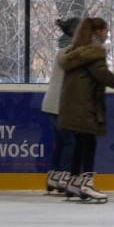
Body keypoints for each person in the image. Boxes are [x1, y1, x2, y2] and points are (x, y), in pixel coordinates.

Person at [57, 17, 114, 202]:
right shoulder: (93, 53)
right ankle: (86, 183)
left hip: (72, 105)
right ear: (97, 32)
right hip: (84, 105)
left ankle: (73, 181)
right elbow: (105, 76)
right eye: (105, 31)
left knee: (81, 142)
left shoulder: (75, 51)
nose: (106, 35)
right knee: (89, 142)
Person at [42, 17, 80, 195]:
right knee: (70, 142)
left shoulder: (63, 50)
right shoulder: (70, 52)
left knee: (62, 141)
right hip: (60, 105)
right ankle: (64, 177)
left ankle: (54, 175)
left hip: (53, 104)